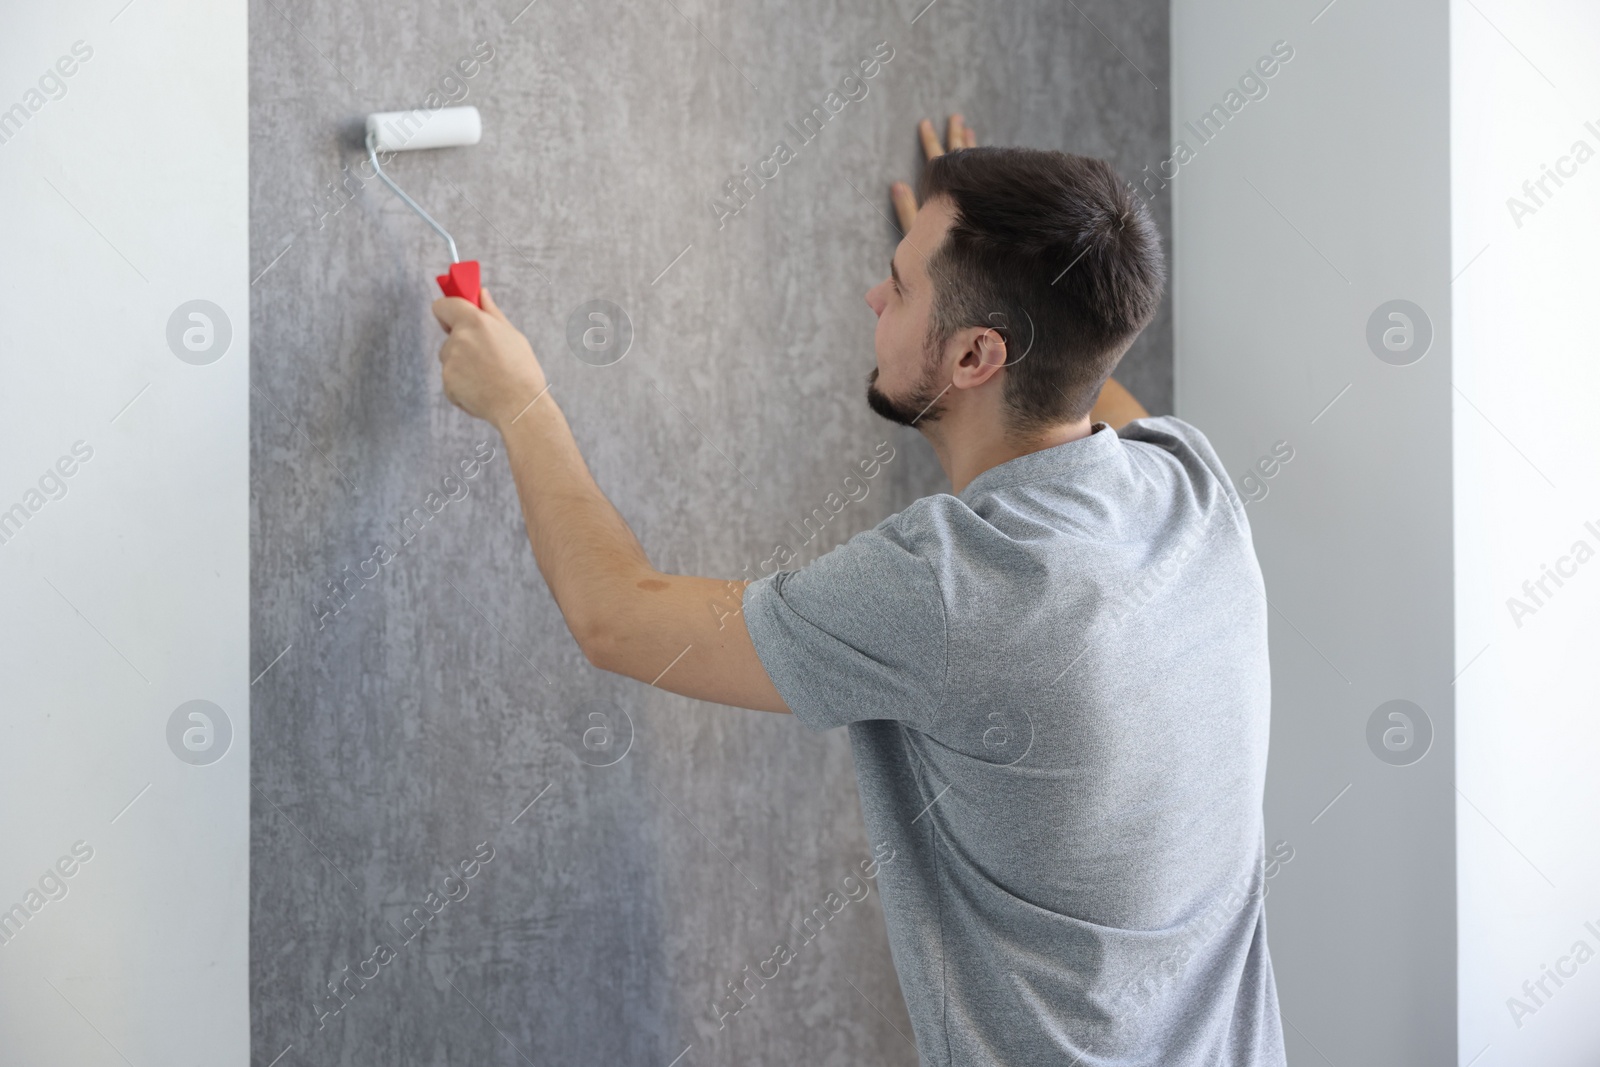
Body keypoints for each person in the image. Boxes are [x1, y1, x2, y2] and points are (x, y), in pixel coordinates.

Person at [430, 115, 1285, 1066]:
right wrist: (1020, 249)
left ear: (974, 359)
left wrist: (520, 401)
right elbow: (1079, 384)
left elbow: (617, 616)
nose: (872, 291)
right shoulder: (1191, 487)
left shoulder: (954, 588)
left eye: (904, 284)